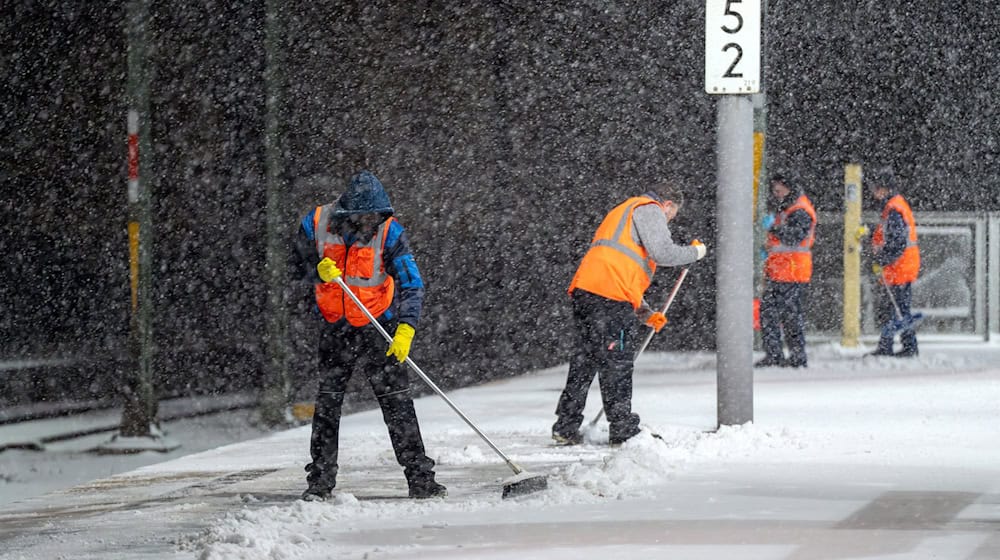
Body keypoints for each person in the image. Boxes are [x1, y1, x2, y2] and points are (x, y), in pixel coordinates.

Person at [291, 170, 447, 501]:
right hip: (335, 327)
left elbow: (412, 283)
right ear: (347, 216)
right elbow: (295, 266)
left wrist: (406, 327)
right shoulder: (315, 223)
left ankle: (421, 479)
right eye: (365, 219)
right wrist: (315, 269)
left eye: (376, 218)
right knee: (328, 404)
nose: (370, 225)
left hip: (379, 325)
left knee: (397, 403)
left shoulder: (390, 233)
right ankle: (320, 483)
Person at [552, 184, 706, 446]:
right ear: (667, 204)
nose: (668, 221)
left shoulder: (623, 211)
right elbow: (664, 253)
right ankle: (623, 427)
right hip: (610, 296)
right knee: (617, 361)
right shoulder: (649, 209)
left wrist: (644, 312)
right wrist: (695, 253)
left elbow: (622, 269)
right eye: (672, 215)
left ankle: (565, 426)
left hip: (588, 290)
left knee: (585, 361)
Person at [754, 174, 817, 368]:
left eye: (779, 190)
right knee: (771, 314)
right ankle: (776, 355)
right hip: (780, 271)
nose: (776, 194)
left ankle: (795, 357)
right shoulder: (789, 208)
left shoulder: (800, 210)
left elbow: (794, 237)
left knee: (789, 317)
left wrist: (773, 229)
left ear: (789, 188)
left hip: (792, 272)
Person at [866, 167, 920, 357]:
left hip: (899, 267)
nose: (873, 192)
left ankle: (906, 347)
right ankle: (894, 345)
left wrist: (882, 259)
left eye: (875, 188)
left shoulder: (894, 209)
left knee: (896, 309)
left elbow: (897, 242)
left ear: (884, 188)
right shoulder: (894, 206)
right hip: (900, 266)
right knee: (895, 309)